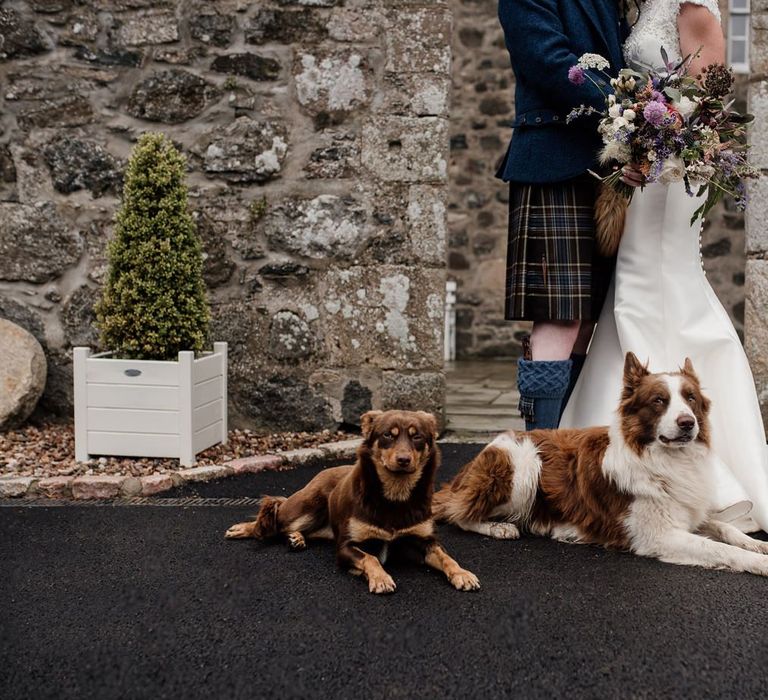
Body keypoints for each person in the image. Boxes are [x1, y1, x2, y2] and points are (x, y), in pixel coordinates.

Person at [560, 0, 768, 533]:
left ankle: (706, 471)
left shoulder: (695, 10)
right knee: (639, 283)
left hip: (670, 173)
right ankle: (625, 452)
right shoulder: (648, 7)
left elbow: (708, 104)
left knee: (653, 280)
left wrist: (657, 140)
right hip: (645, 166)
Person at [496, 0, 628, 431]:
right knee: (560, 315)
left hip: (612, 171)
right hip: (553, 161)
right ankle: (540, 452)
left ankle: (566, 442)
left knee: (593, 319)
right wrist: (632, 112)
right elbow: (549, 62)